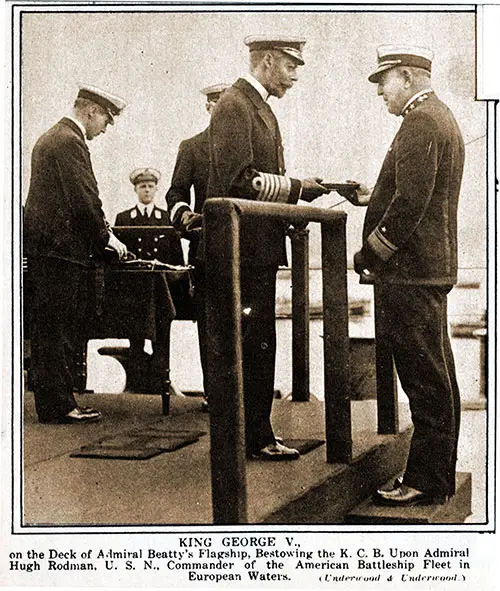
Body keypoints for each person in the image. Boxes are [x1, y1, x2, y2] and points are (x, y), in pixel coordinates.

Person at [204, 35, 329, 460]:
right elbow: (241, 182)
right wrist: (296, 188)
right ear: (269, 61)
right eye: (291, 66)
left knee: (258, 343)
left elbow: (259, 180)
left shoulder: (258, 109)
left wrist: (298, 192)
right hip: (241, 251)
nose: (295, 76)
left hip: (255, 249)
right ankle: (253, 438)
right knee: (250, 345)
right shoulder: (236, 106)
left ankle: (256, 433)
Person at [353, 45, 465, 505]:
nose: (381, 92)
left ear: (407, 76)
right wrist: (370, 195)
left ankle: (423, 480)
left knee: (423, 378)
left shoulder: (419, 123)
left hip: (410, 275)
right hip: (428, 271)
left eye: (385, 82)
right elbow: (412, 192)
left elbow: (411, 205)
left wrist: (369, 255)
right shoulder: (440, 117)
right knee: (437, 376)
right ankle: (435, 474)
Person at [24, 84, 128, 424]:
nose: (105, 128)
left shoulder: (50, 137)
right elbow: (84, 198)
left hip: (46, 250)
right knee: (59, 327)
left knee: (47, 328)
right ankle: (61, 406)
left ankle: (52, 402)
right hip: (62, 253)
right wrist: (107, 238)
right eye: (106, 120)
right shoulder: (70, 142)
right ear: (91, 111)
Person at [166, 83, 229, 411]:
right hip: (207, 250)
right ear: (208, 107)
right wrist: (185, 216)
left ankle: (247, 395)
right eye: (217, 104)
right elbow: (174, 194)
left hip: (247, 250)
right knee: (210, 324)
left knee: (251, 326)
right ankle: (213, 393)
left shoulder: (247, 146)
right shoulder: (192, 147)